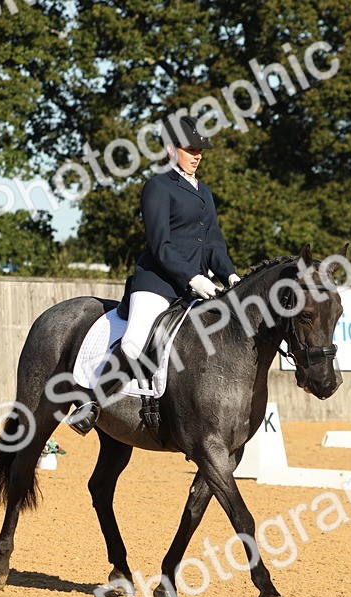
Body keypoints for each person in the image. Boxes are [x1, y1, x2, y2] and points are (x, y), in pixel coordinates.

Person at [67, 114, 241, 434]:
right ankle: (92, 403)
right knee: (135, 342)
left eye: (200, 150)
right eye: (191, 149)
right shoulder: (158, 186)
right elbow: (161, 244)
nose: (198, 156)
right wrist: (193, 277)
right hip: (157, 283)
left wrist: (230, 276)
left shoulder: (204, 191)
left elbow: (213, 242)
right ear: (171, 149)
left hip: (195, 288)